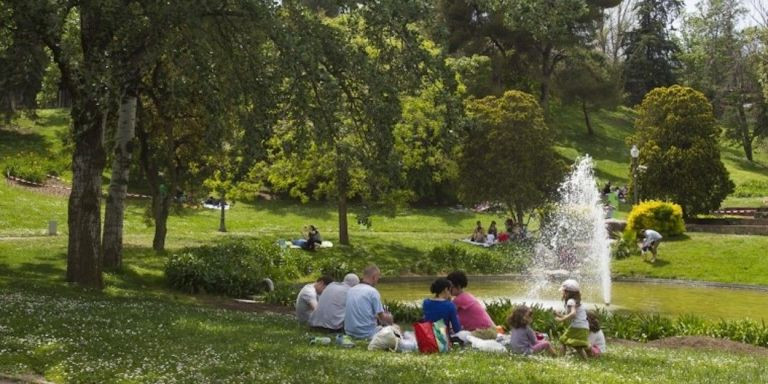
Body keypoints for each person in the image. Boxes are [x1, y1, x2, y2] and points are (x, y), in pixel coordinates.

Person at [345, 265, 391, 340]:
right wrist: (390, 317)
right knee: (396, 328)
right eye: (378, 278)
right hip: (366, 333)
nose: (378, 280)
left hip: (349, 332)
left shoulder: (351, 290)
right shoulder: (372, 292)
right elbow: (382, 318)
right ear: (374, 277)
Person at [555, 279, 589, 359]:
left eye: (563, 291)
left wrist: (561, 320)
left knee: (562, 340)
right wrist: (558, 315)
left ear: (567, 292)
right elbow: (569, 316)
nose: (562, 293)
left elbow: (573, 314)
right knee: (578, 346)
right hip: (584, 326)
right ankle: (585, 361)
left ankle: (560, 359)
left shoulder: (570, 301)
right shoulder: (576, 301)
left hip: (577, 326)